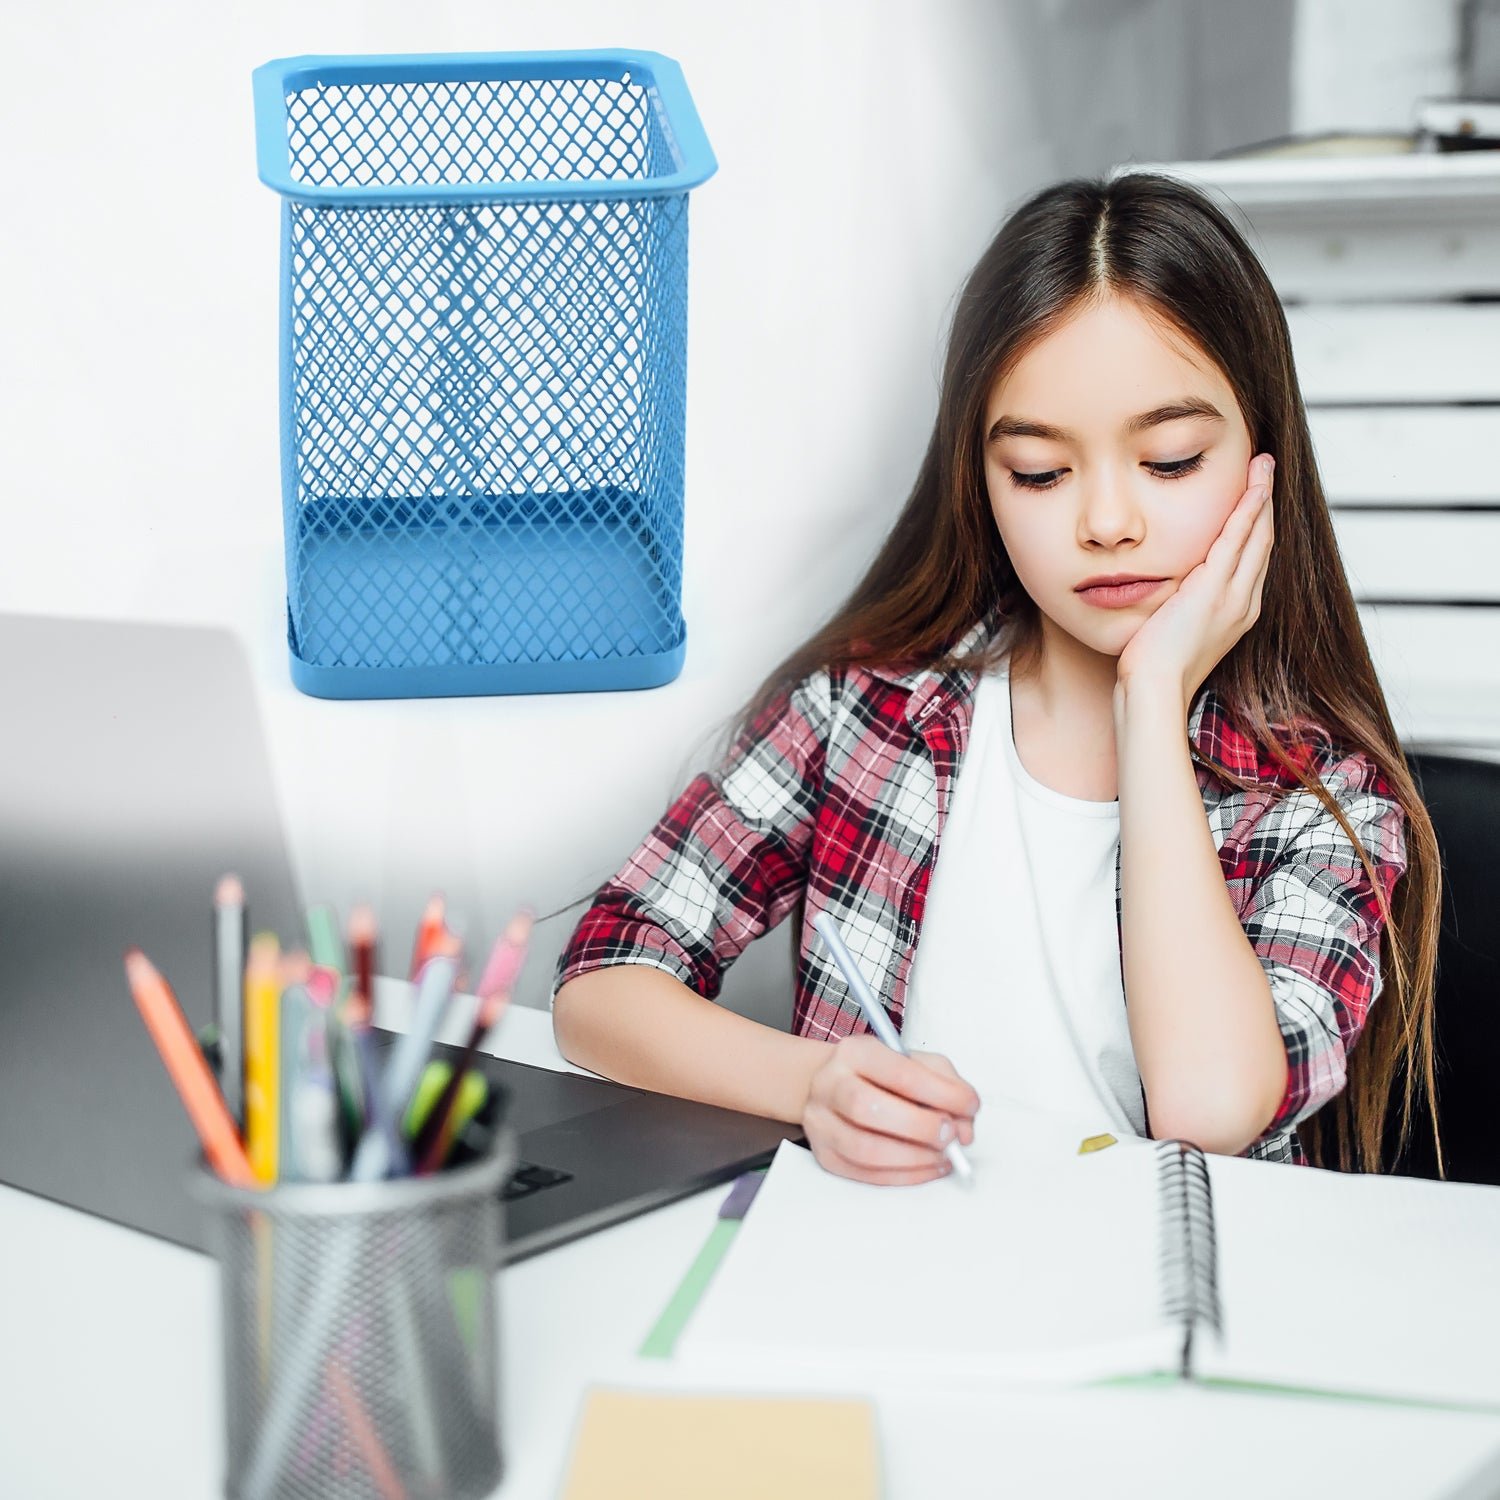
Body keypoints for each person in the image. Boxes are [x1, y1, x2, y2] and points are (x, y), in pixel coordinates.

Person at [550, 172, 1442, 1186]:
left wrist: (1152, 702)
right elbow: (602, 979)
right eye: (1040, 473)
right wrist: (813, 1083)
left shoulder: (1326, 795)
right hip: (888, 1293)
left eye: (1171, 460)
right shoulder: (869, 709)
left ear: (1262, 461)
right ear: (979, 480)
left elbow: (1209, 1108)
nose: (1108, 522)